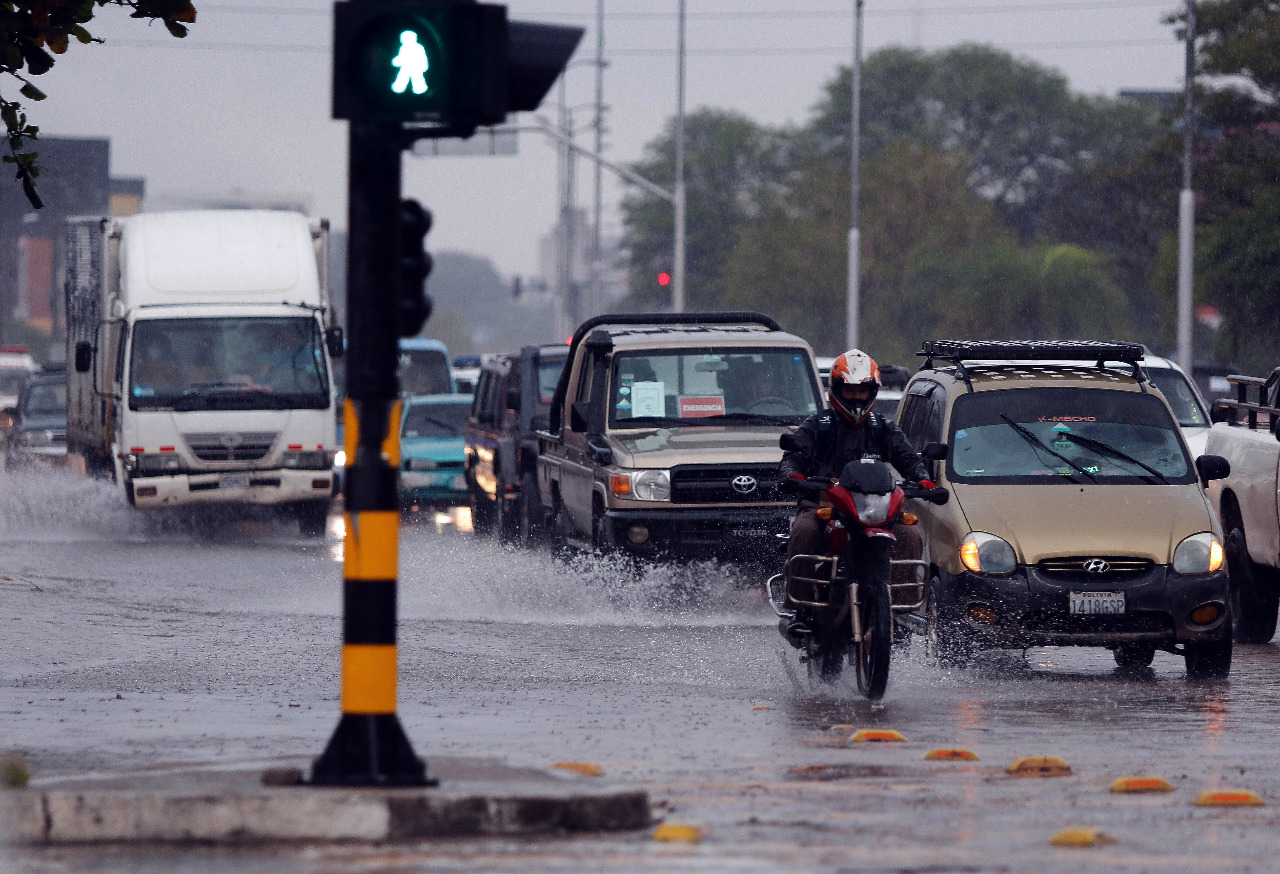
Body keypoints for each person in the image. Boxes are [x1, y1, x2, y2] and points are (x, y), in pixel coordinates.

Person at [778, 349, 935, 643]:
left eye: (862, 390)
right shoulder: (818, 425)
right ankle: (799, 611)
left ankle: (898, 612)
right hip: (824, 504)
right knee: (804, 530)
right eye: (849, 390)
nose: (855, 397)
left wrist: (924, 479)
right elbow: (794, 455)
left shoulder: (883, 427)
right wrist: (792, 475)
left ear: (872, 391)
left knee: (909, 535)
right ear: (836, 389)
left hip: (875, 509)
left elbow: (908, 459)